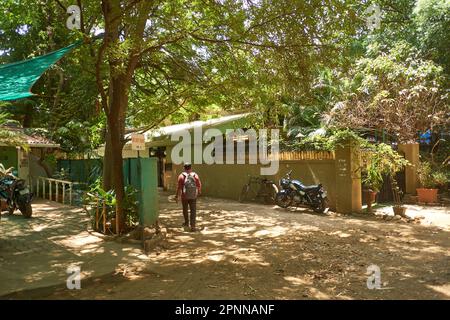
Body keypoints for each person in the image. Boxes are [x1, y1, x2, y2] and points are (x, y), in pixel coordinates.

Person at [175, 162, 202, 232]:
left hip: (184, 196)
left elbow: (179, 188)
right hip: (193, 196)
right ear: (191, 168)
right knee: (193, 211)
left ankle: (186, 223)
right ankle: (193, 226)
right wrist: (198, 192)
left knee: (185, 209)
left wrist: (176, 196)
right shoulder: (195, 175)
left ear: (184, 168)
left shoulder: (181, 176)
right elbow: (199, 185)